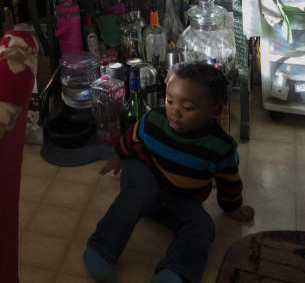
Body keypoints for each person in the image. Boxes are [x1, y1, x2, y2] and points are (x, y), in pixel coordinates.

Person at [83, 63, 255, 283]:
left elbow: (228, 180)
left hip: (180, 199)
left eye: (188, 107)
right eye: (170, 101)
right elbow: (134, 134)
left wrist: (231, 207)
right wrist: (119, 154)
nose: (174, 111)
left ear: (214, 111)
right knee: (140, 193)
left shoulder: (220, 147)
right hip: (145, 174)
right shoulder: (155, 119)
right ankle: (100, 248)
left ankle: (175, 271)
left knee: (203, 226)